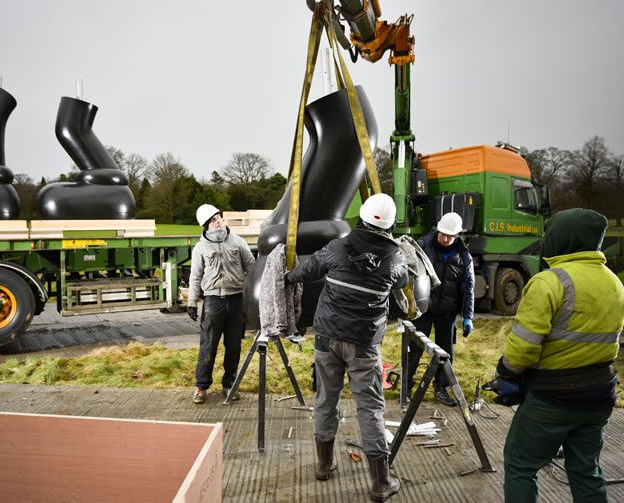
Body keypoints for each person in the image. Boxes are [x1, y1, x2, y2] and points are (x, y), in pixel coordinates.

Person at [495, 208, 624, 502]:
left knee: (520, 463)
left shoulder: (550, 282)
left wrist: (506, 370)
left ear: (561, 238)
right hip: (600, 394)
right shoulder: (614, 283)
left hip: (553, 397)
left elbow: (524, 347)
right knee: (586, 469)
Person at [285, 193, 408, 502]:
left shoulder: (339, 246)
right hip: (365, 344)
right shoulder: (395, 256)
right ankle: (381, 483)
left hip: (327, 338)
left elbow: (309, 269)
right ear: (390, 224)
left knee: (326, 398)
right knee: (370, 407)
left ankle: (324, 465)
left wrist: (288, 277)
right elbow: (402, 281)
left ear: (362, 217)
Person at [187, 204, 255, 404]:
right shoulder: (200, 248)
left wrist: (251, 298)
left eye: (218, 217)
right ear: (206, 226)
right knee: (208, 345)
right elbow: (195, 276)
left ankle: (229, 384)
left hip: (236, 300)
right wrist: (192, 302)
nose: (218, 221)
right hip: (213, 302)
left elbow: (251, 267)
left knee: (233, 346)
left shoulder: (238, 242)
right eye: (213, 220)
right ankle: (201, 386)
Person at [405, 212, 474, 407]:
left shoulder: (464, 256)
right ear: (437, 229)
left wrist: (468, 316)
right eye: (442, 234)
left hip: (447, 313)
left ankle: (441, 388)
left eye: (449, 236)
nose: (444, 239)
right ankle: (406, 387)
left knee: (445, 353)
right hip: (423, 310)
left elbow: (468, 287)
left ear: (457, 235)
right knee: (415, 349)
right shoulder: (423, 246)